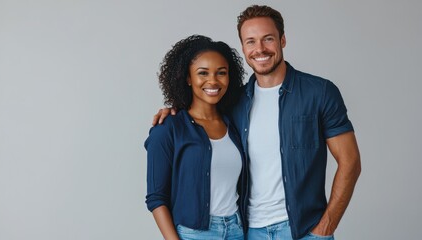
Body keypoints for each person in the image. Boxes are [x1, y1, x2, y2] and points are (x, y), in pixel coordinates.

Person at [153, 5, 361, 240]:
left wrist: (324, 229)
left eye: (268, 39)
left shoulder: (320, 92)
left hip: (304, 231)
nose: (259, 49)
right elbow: (201, 111)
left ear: (282, 40)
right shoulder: (234, 103)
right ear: (243, 47)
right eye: (250, 41)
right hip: (248, 232)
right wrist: (174, 111)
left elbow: (350, 161)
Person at [145, 35, 248, 240]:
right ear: (188, 78)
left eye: (221, 73)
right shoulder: (168, 128)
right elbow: (156, 198)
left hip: (236, 230)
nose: (213, 81)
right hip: (194, 234)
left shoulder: (235, 125)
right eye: (203, 73)